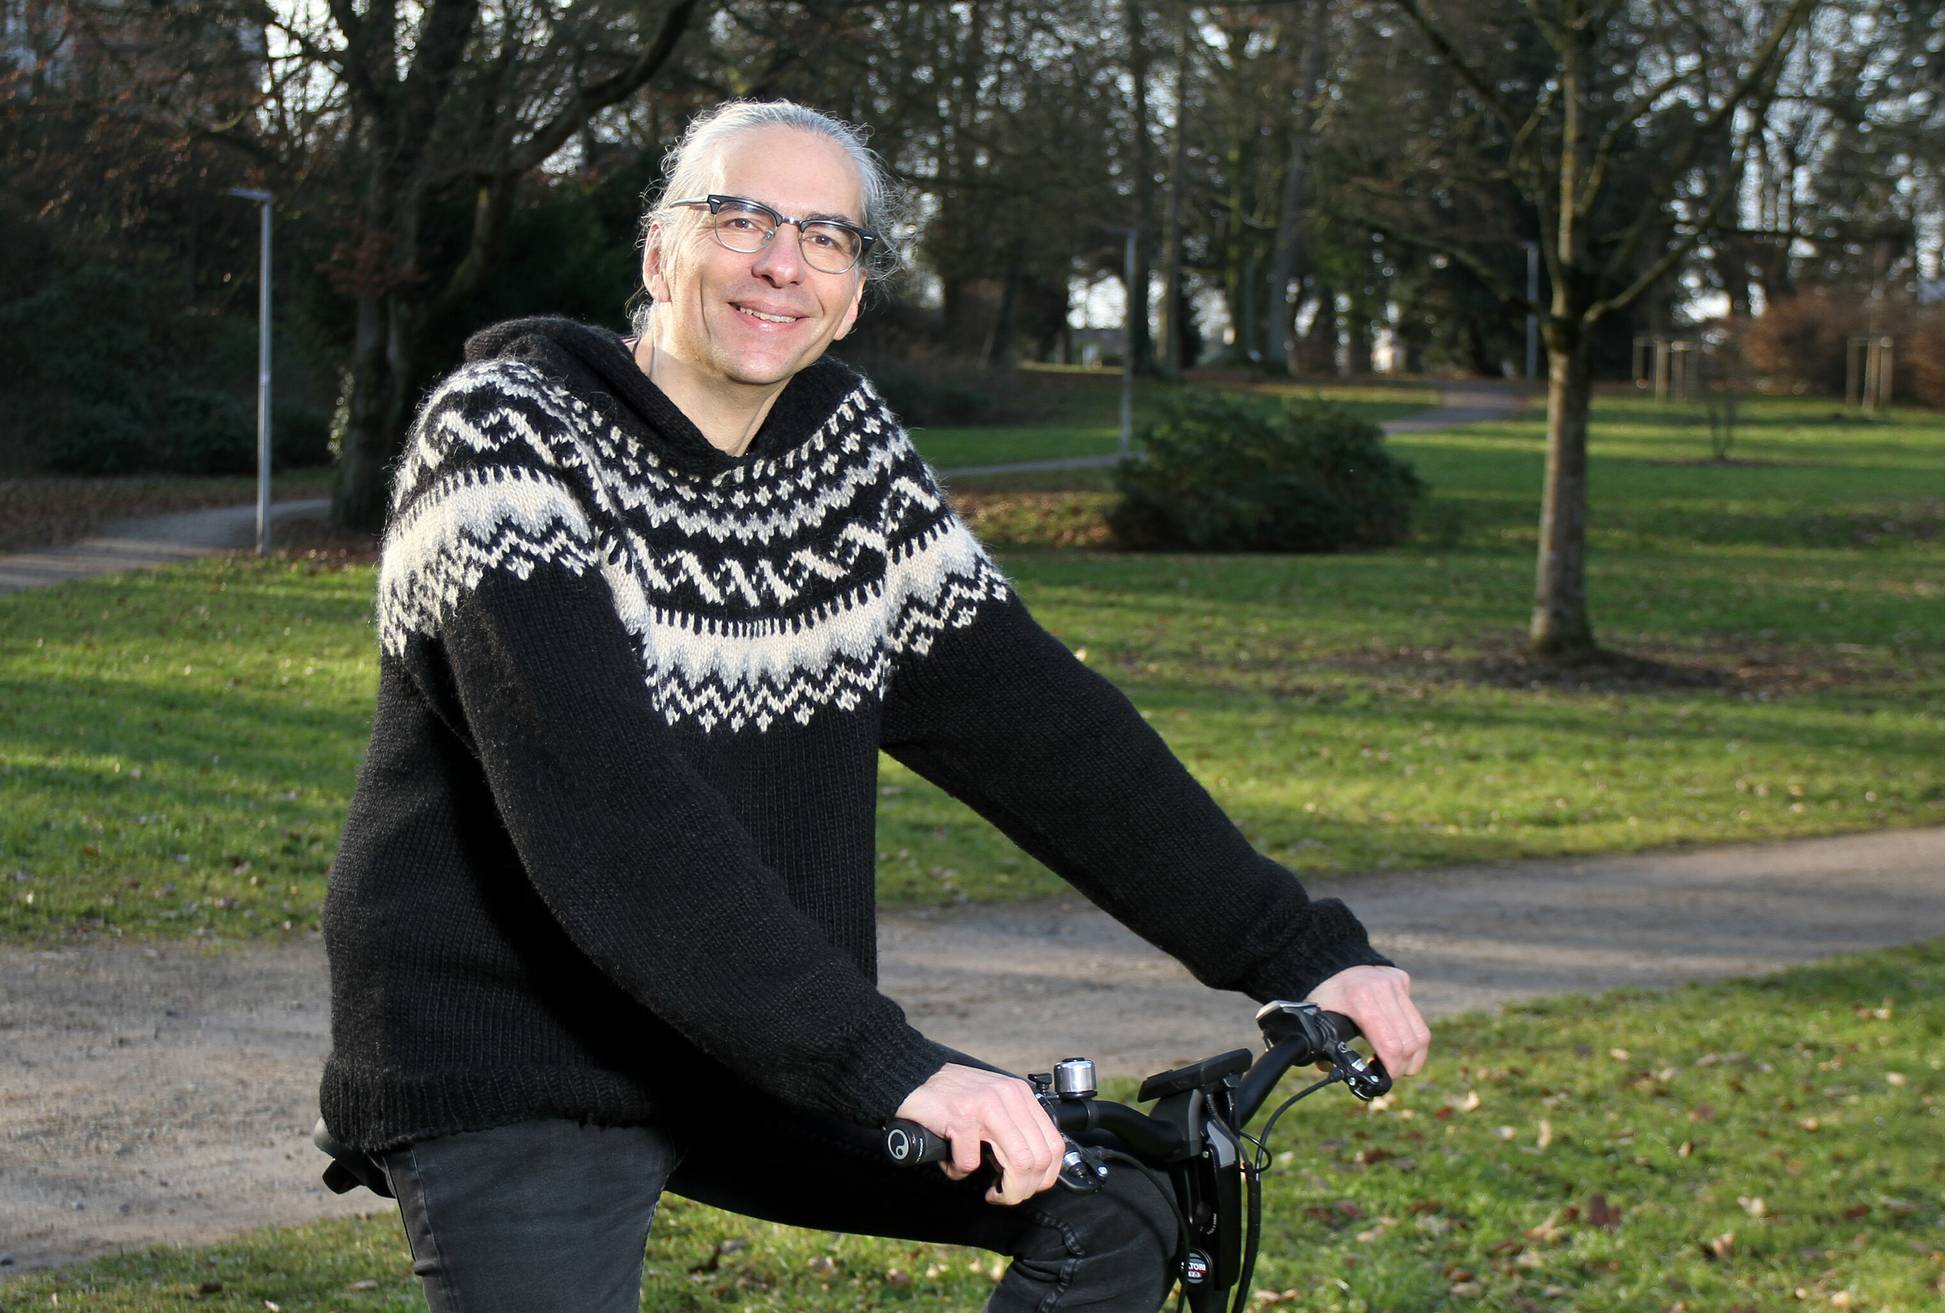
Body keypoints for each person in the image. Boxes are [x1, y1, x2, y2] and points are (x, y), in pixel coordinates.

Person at [319, 98, 1431, 1313]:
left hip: (744, 1039)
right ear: (659, 253)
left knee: (1115, 1197)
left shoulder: (846, 458)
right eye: (739, 217)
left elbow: (1041, 727)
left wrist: (1300, 949)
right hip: (522, 1047)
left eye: (825, 237)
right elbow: (604, 804)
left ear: (850, 294)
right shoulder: (505, 434)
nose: (780, 262)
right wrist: (886, 1064)